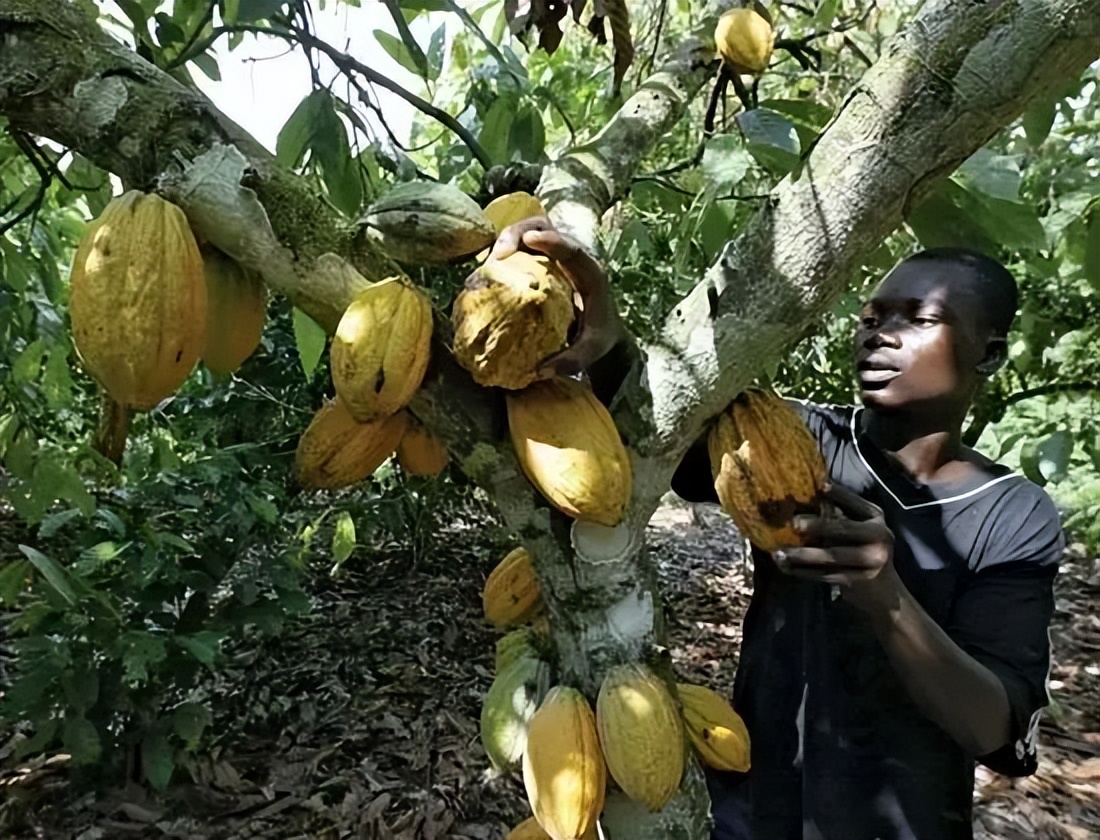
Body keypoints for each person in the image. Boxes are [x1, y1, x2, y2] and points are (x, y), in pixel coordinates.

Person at [491, 219, 1065, 840]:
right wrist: (602, 327)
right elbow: (658, 436)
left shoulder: (1012, 512)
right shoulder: (793, 435)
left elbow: (997, 730)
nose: (879, 337)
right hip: (754, 801)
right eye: (870, 320)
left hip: (896, 820)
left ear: (989, 351)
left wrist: (888, 600)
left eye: (917, 319)